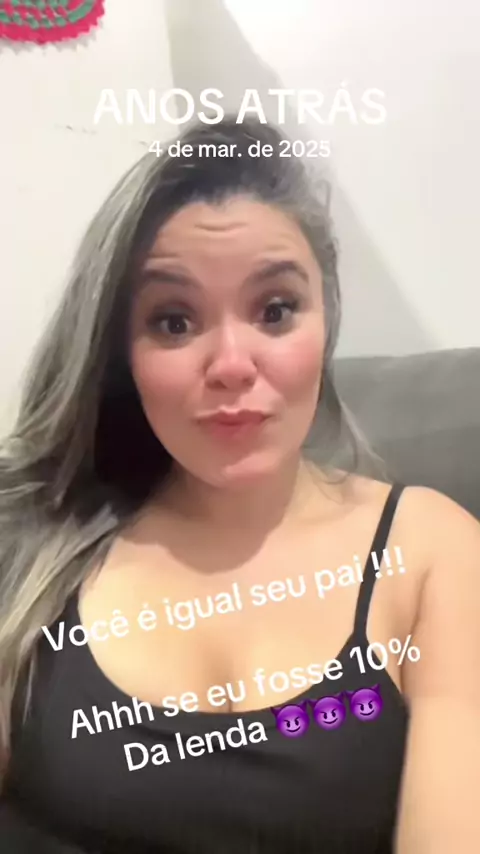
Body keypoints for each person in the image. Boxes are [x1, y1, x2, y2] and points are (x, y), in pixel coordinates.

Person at [0, 117, 479, 854]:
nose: (231, 364)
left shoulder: (432, 553)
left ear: (326, 320)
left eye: (275, 311)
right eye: (174, 321)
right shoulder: (39, 542)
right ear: (121, 353)